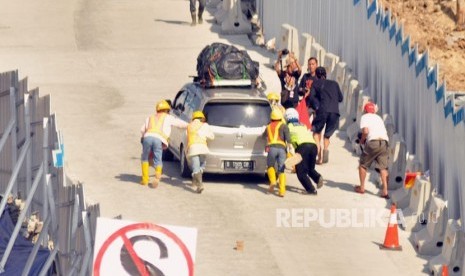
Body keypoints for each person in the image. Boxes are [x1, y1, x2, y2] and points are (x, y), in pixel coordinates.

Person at [140, 100, 188, 188]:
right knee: (158, 158)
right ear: (167, 110)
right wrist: (189, 125)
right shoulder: (168, 117)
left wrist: (144, 137)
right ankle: (157, 176)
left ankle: (145, 180)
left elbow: (142, 130)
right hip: (159, 139)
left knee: (145, 158)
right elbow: (179, 124)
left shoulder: (150, 117)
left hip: (147, 137)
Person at [354, 102, 390, 199]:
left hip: (373, 142)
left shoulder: (365, 117)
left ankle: (362, 188)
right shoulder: (378, 118)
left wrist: (362, 141)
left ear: (365, 110)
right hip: (384, 142)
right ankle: (385, 191)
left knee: (363, 165)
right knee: (383, 168)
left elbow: (365, 131)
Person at [285, 108, 324, 195]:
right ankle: (318, 178)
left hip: (302, 147)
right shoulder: (303, 125)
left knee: (301, 172)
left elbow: (286, 140)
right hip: (313, 146)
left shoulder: (287, 127)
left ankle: (311, 190)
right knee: (310, 169)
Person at [310, 66, 343, 164]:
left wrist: (316, 107)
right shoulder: (335, 83)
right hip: (335, 111)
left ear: (316, 75)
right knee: (327, 135)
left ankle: (319, 156)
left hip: (322, 110)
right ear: (325, 74)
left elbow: (312, 98)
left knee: (316, 132)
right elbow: (340, 98)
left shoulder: (315, 83)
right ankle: (325, 149)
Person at [186, 111, 214, 194]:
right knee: (201, 166)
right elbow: (212, 137)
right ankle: (195, 181)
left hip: (193, 149)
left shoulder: (189, 126)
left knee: (195, 168)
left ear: (193, 118)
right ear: (202, 118)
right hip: (203, 149)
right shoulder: (205, 125)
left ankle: (199, 185)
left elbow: (187, 138)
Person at [266, 109, 291, 197]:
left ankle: (273, 181)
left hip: (271, 148)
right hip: (282, 149)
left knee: (270, 166)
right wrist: (290, 149)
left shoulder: (268, 126)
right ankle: (282, 191)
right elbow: (288, 139)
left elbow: (263, 136)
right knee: (281, 169)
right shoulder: (284, 126)